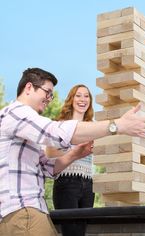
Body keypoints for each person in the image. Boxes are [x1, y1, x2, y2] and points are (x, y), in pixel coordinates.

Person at [0, 67, 145, 236]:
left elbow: (46, 168)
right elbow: (55, 133)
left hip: (32, 209)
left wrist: (75, 154)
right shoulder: (17, 113)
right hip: (23, 210)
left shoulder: (24, 126)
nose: (49, 99)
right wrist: (116, 125)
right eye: (48, 92)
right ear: (29, 87)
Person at [46, 84, 95, 236]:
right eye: (78, 95)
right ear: (71, 99)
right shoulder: (60, 125)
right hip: (67, 182)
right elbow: (49, 152)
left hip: (88, 184)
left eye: (86, 96)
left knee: (81, 232)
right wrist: (73, 150)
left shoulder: (93, 127)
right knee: (70, 232)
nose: (82, 99)